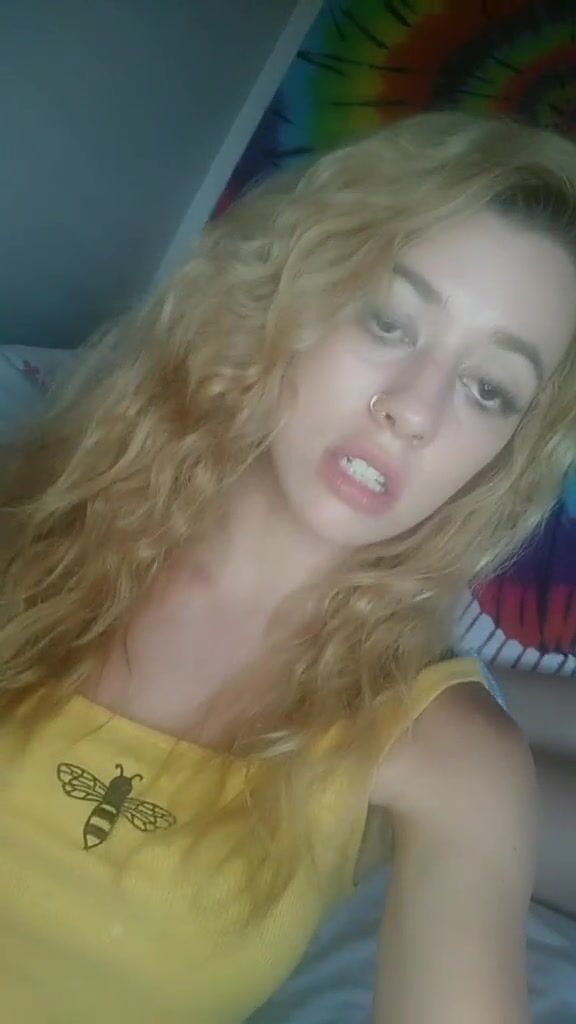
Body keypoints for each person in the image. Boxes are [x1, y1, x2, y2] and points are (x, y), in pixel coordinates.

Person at [1, 110, 576, 1024]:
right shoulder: (34, 515)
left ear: (503, 453)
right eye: (389, 321)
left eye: (488, 388)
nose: (414, 411)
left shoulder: (458, 763)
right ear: (290, 302)